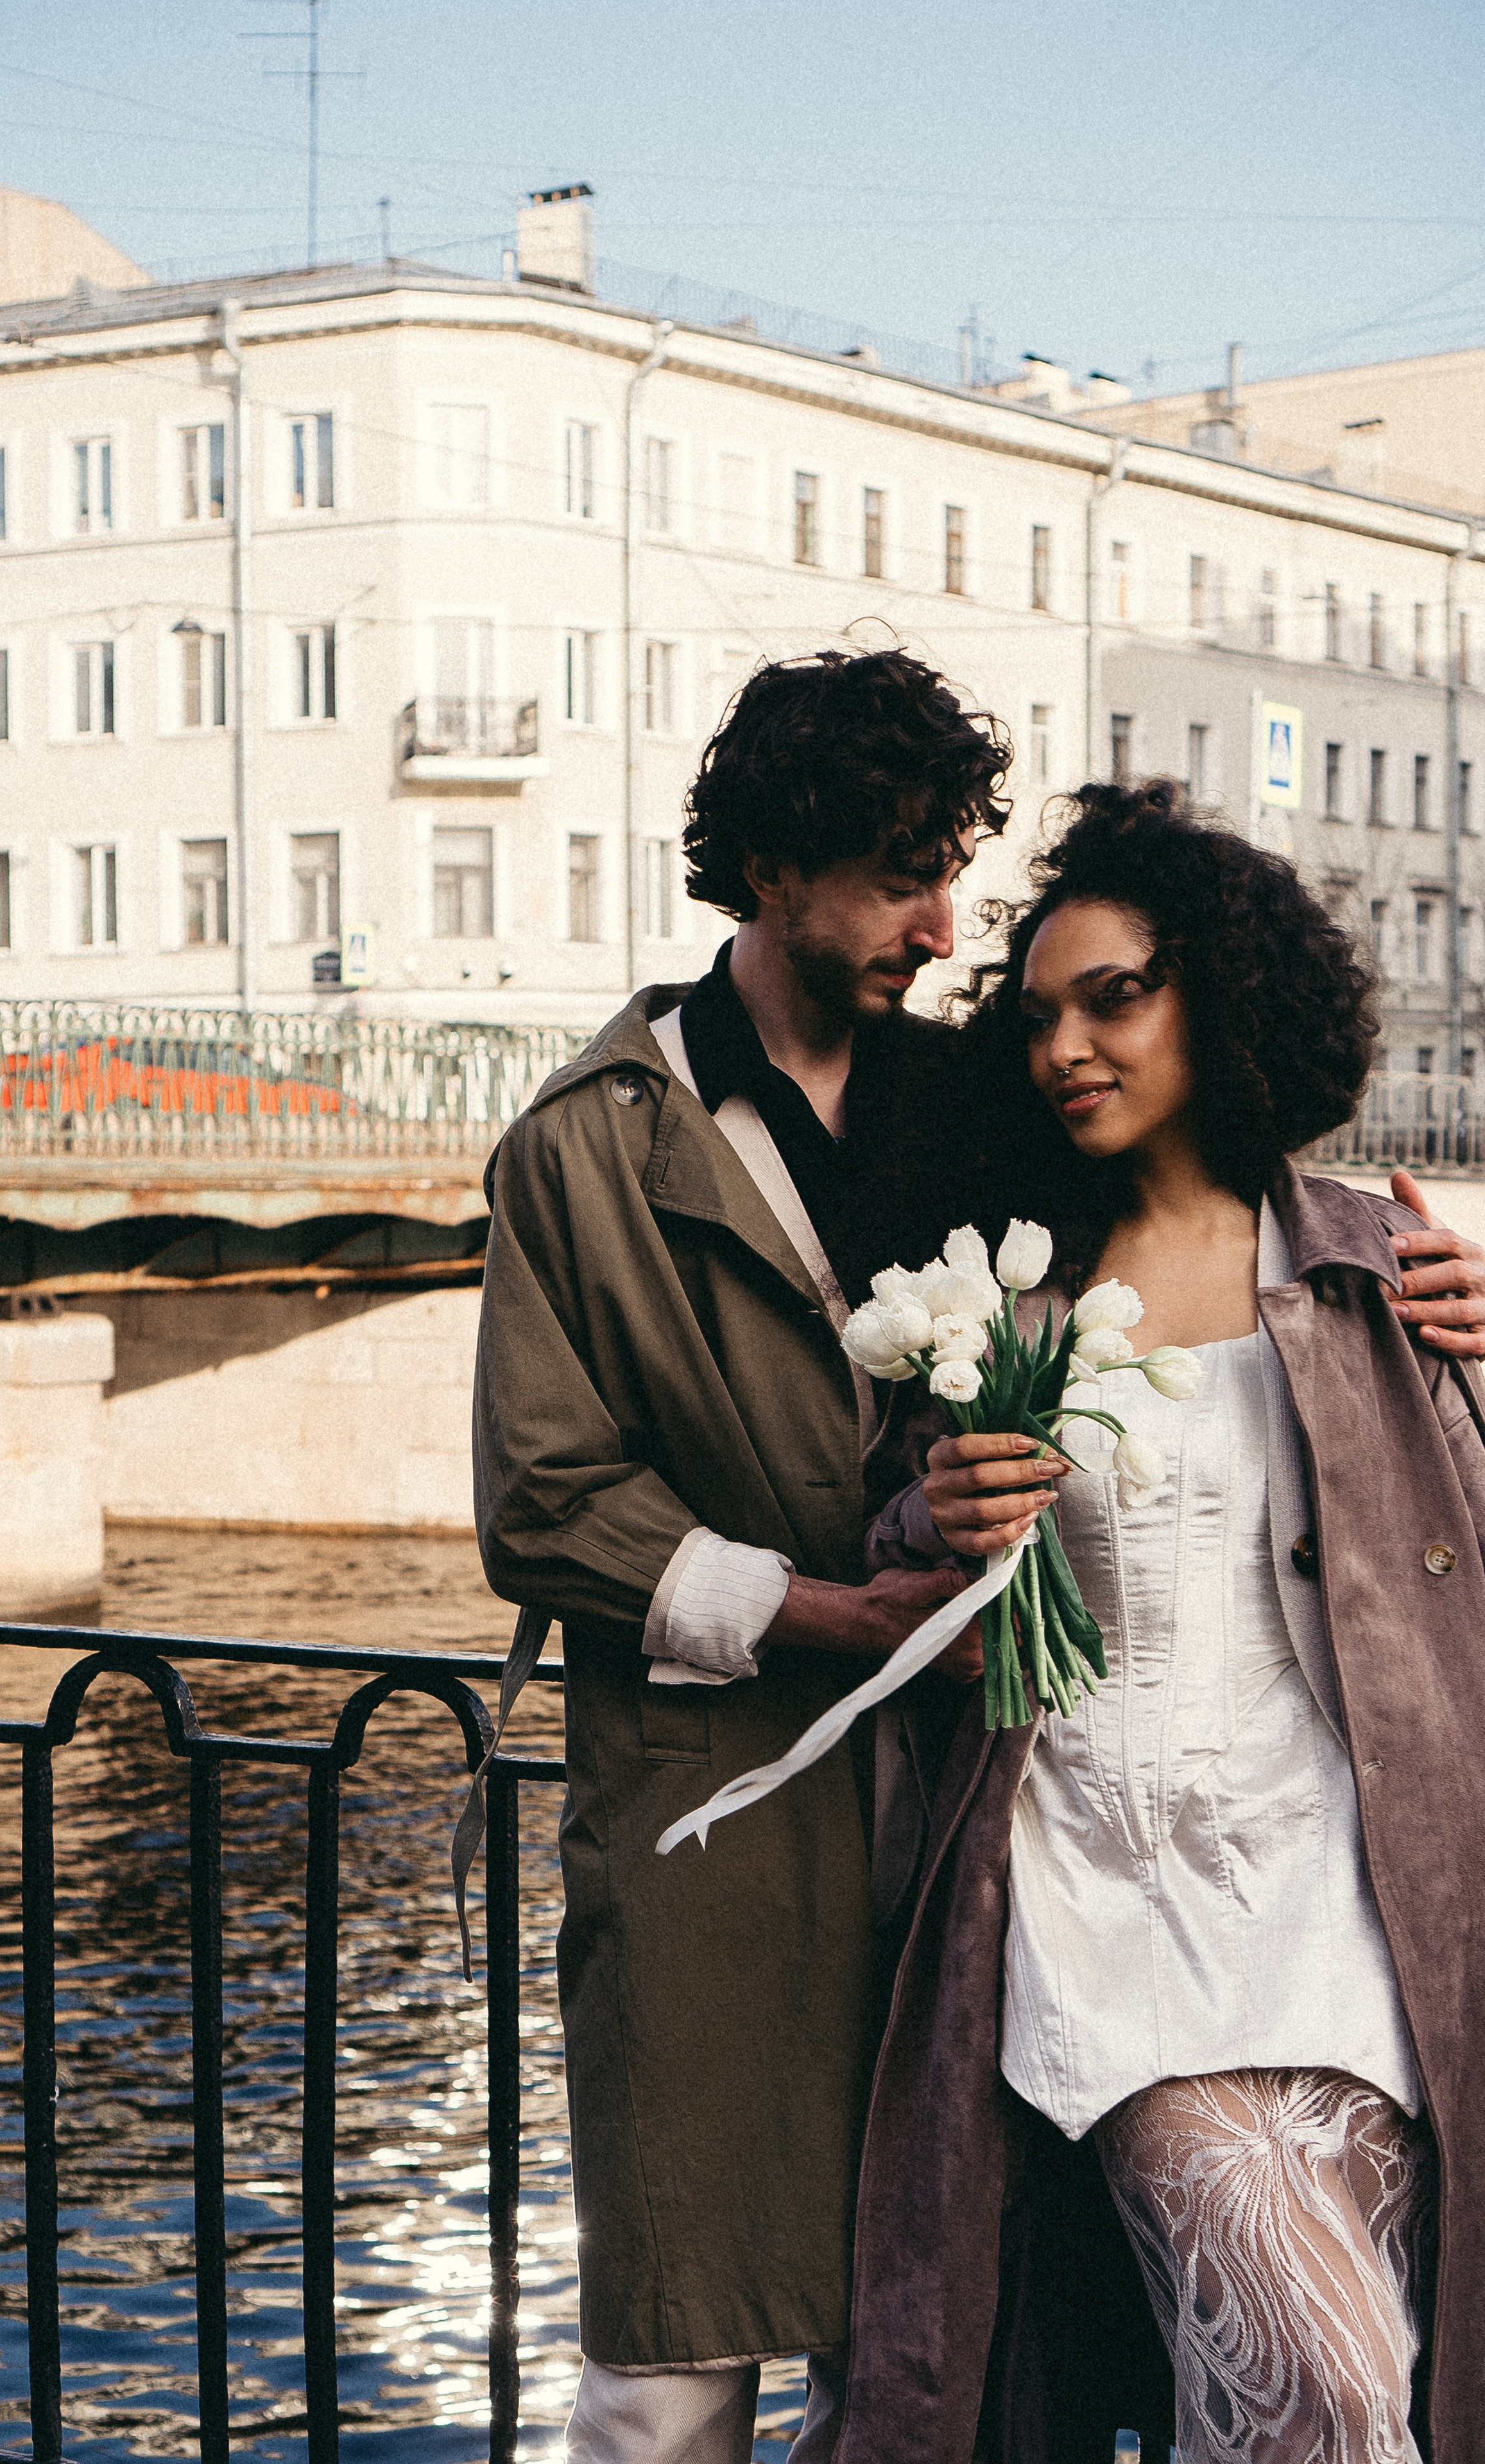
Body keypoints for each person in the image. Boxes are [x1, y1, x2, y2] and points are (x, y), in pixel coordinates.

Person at [843, 778, 1485, 2463]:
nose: (1065, 1046)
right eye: (1038, 1016)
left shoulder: (1374, 1268)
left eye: (1113, 997)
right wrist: (939, 1515)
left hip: (1345, 1911)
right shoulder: (1010, 1299)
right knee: (1323, 2392)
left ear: (1226, 997)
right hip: (1100, 1899)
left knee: (1325, 2390)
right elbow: (895, 1546)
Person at [472, 649, 1011, 2461]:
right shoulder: (585, 1147)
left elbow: (1193, 1231)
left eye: (952, 872)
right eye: (901, 877)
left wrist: (1408, 1280)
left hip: (966, 1806)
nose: (941, 926)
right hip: (709, 1815)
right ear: (772, 869)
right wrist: (835, 1615)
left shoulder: (977, 1101)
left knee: (919, 2338)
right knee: (674, 2357)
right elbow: (544, 1499)